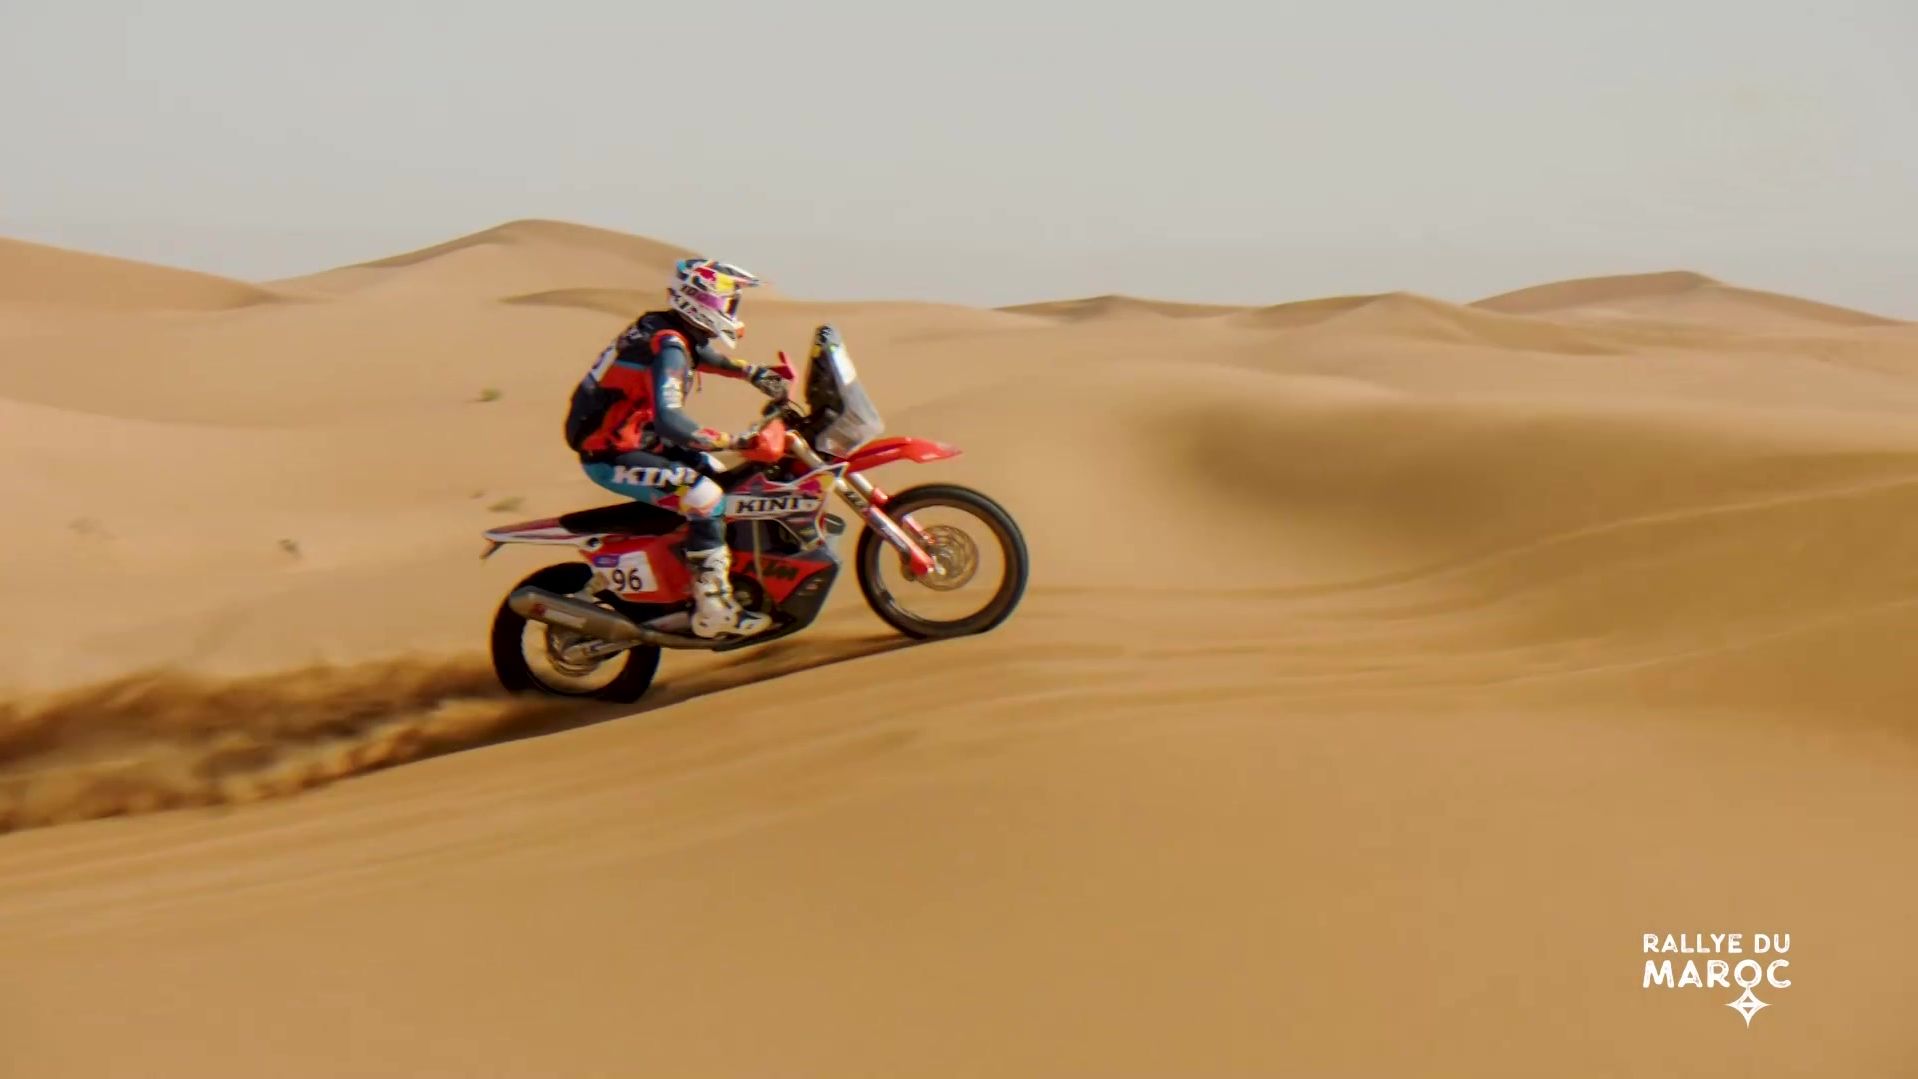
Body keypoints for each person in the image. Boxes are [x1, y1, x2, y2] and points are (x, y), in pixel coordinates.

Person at [563, 257, 789, 638]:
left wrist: (750, 371)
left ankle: (706, 574)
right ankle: (712, 609)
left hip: (639, 440)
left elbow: (697, 355)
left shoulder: (666, 330)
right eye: (727, 302)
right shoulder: (668, 346)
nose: (731, 310)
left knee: (727, 482)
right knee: (704, 496)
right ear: (701, 301)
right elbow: (671, 421)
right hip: (611, 454)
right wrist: (732, 440)